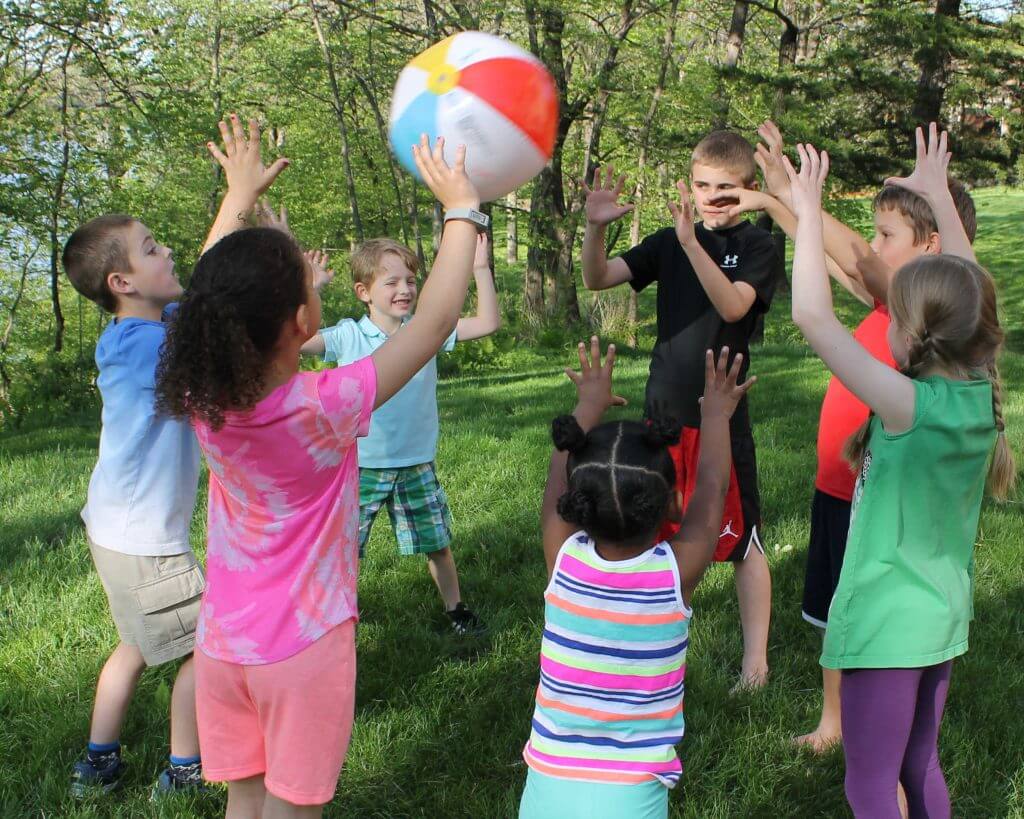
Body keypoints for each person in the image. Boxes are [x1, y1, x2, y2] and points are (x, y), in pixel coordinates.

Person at [155, 133, 483, 817]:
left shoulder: (203, 397)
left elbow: (205, 301)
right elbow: (434, 323)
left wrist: (237, 197)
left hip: (223, 644)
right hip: (302, 651)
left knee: (243, 800)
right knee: (291, 807)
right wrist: (462, 210)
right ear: (304, 321)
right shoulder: (324, 404)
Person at [725, 120, 977, 751]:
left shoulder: (920, 312)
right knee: (836, 612)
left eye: (887, 234)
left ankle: (846, 727)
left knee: (852, 613)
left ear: (932, 248)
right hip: (835, 484)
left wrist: (794, 201)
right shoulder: (900, 307)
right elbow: (837, 258)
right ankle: (837, 722)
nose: (871, 244)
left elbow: (855, 262)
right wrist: (786, 200)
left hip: (868, 497)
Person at [785, 126, 1014, 818]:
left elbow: (811, 316)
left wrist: (804, 211)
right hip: (940, 619)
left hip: (888, 624)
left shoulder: (907, 403)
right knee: (919, 762)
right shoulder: (977, 394)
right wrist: (939, 196)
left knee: (868, 782)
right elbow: (974, 289)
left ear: (910, 336)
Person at [62, 113, 287, 798]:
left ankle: (98, 761)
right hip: (144, 543)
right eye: (153, 249)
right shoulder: (140, 343)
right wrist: (237, 200)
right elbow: (207, 306)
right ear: (122, 282)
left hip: (119, 533)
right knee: (204, 648)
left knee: (136, 643)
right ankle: (183, 769)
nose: (168, 256)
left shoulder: (135, 338)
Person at [519, 337, 755, 819]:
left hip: (547, 781)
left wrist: (588, 403)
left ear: (577, 507)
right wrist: (715, 416)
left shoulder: (562, 560)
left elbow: (555, 478)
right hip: (632, 790)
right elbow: (711, 485)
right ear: (671, 504)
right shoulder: (674, 575)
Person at [580, 130, 777, 690]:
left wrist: (694, 245)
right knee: (656, 531)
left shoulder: (758, 245)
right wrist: (596, 228)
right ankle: (659, 646)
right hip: (663, 410)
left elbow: (734, 304)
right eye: (701, 185)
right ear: (688, 185)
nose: (712, 197)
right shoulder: (669, 240)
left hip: (721, 412)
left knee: (743, 539)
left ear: (750, 189)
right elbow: (597, 279)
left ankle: (755, 663)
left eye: (726, 188)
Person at [301, 233, 500, 634]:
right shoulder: (347, 336)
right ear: (364, 292)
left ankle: (456, 610)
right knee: (343, 551)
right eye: (390, 282)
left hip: (415, 463)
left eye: (410, 280)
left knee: (437, 543)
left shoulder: (425, 332)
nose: (405, 289)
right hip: (360, 467)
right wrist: (309, 289)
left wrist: (479, 268)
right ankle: (333, 619)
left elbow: (488, 322)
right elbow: (296, 339)